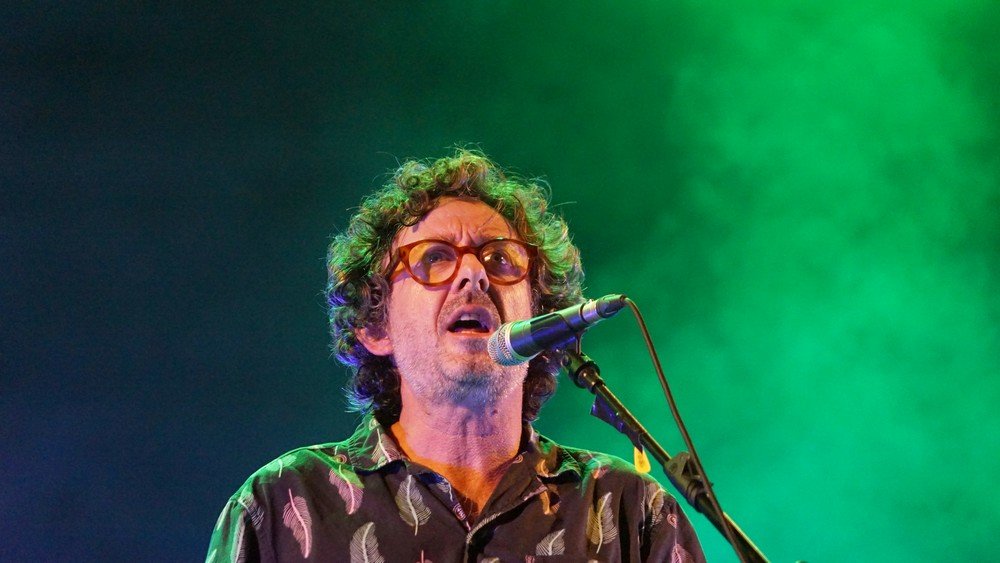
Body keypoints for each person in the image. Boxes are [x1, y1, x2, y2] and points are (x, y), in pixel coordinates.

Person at [207, 150, 705, 562]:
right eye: (435, 257)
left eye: (501, 258)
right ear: (375, 326)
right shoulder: (284, 504)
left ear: (540, 317)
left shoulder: (629, 510)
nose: (474, 274)